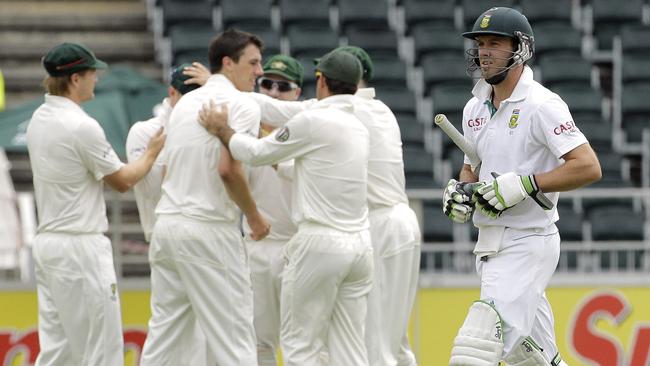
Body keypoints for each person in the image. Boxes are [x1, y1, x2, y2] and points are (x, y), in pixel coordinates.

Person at [244, 46, 422, 366]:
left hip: (375, 227)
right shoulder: (381, 111)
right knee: (393, 340)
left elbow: (272, 110)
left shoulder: (336, 112)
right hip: (402, 225)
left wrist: (222, 87)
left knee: (372, 342)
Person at [444, 7, 601, 366]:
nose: (484, 51)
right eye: (480, 43)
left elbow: (588, 166)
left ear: (520, 48)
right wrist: (461, 192)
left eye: (495, 43)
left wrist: (527, 185)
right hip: (490, 247)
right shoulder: (474, 107)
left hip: (527, 242)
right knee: (531, 358)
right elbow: (473, 165)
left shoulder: (542, 105)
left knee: (474, 351)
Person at [198, 49, 373, 366]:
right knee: (348, 348)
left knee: (299, 346)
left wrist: (222, 130)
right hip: (360, 246)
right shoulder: (358, 124)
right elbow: (301, 170)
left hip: (319, 244)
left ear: (320, 81)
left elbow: (255, 152)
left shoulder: (313, 119)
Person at [26, 42, 166, 365]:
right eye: (92, 74)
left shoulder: (38, 118)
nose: (96, 80)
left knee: (57, 351)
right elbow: (123, 180)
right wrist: (152, 152)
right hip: (80, 248)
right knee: (102, 351)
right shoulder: (81, 126)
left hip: (48, 245)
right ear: (75, 79)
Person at [139, 29, 270, 366]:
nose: (260, 71)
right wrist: (254, 216)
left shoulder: (184, 105)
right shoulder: (242, 105)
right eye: (253, 63)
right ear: (228, 63)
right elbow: (229, 171)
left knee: (164, 342)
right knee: (236, 342)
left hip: (168, 227)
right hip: (209, 230)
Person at [125, 62, 213, 364]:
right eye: (186, 96)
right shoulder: (146, 132)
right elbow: (151, 191)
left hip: (206, 235)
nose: (193, 104)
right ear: (171, 93)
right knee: (167, 331)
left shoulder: (209, 126)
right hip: (167, 236)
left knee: (205, 334)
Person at [247, 54, 303, 365]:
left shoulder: (306, 129)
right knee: (258, 343)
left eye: (283, 87)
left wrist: (262, 142)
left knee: (302, 341)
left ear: (297, 95)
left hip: (296, 246)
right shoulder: (243, 126)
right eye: (266, 84)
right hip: (256, 247)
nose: (272, 93)